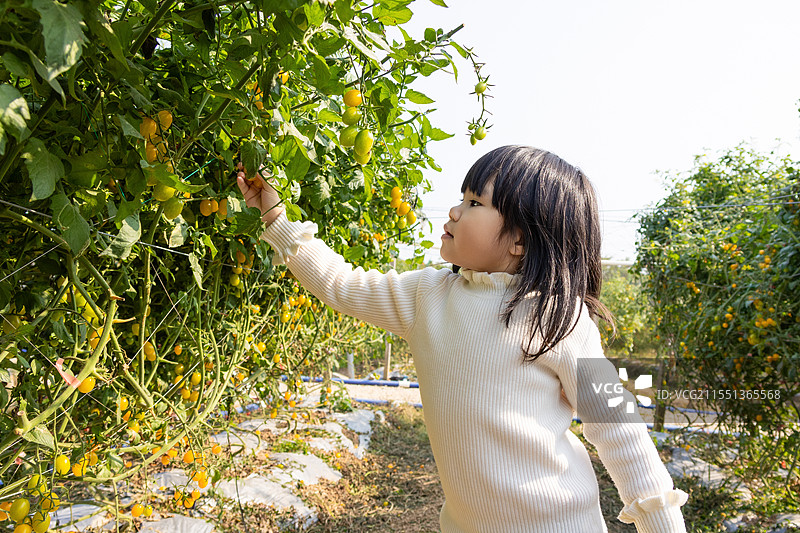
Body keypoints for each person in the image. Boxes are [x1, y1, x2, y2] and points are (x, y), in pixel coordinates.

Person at [237, 145, 689, 533]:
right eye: (462, 198)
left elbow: (619, 429)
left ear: (519, 239)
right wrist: (274, 217)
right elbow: (340, 283)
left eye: (475, 203)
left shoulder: (559, 317)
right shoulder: (425, 296)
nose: (454, 211)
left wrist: (661, 522)